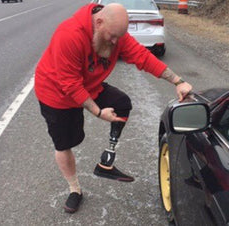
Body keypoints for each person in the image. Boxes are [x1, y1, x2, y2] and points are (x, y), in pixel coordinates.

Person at [35, 3, 192, 214]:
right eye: (112, 37)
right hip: (57, 94)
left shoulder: (114, 33)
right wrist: (99, 113)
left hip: (89, 86)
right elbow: (70, 84)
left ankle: (106, 163)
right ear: (98, 22)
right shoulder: (69, 34)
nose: (116, 42)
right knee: (65, 144)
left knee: (122, 104)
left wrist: (178, 81)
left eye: (120, 37)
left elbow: (143, 57)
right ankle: (75, 189)